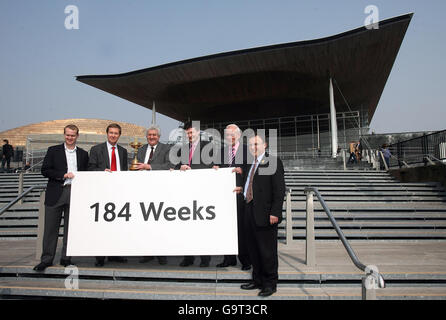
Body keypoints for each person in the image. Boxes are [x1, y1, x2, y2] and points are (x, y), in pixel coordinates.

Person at [33, 125, 89, 272]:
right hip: (56, 192)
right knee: (50, 228)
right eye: (68, 135)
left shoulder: (83, 154)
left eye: (73, 135)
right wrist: (63, 175)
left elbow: (88, 173)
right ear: (64, 135)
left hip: (75, 194)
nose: (70, 138)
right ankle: (46, 260)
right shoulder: (53, 150)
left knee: (71, 229)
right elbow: (45, 170)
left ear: (77, 136)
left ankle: (66, 258)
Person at [236, 135, 286, 297]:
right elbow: (251, 183)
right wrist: (241, 190)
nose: (253, 147)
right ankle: (257, 280)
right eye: (251, 145)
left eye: (256, 144)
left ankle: (270, 283)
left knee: (267, 251)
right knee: (253, 249)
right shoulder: (251, 163)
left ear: (264, 144)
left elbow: (279, 190)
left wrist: (275, 212)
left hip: (265, 214)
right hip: (249, 210)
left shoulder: (273, 162)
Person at [88, 123, 129, 267]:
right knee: (102, 226)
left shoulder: (123, 151)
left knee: (117, 224)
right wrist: (102, 172)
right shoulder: (96, 149)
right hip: (102, 192)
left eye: (116, 133)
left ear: (119, 135)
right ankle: (100, 256)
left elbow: (124, 171)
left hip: (118, 192)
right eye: (111, 133)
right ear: (107, 134)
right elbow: (90, 168)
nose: (113, 135)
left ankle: (115, 254)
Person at [174, 121, 213, 267]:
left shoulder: (208, 147)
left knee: (202, 227)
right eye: (188, 133)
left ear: (198, 132)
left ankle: (205, 258)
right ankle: (188, 257)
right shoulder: (182, 149)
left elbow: (210, 166)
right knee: (187, 227)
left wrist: (192, 170)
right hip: (185, 193)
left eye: (192, 132)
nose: (190, 135)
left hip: (202, 192)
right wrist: (180, 167)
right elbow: (176, 165)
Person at [213, 124, 251, 271]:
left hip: (241, 194)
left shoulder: (247, 150)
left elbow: (253, 169)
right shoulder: (221, 151)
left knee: (242, 229)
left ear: (239, 135)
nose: (230, 137)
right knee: (226, 228)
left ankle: (245, 260)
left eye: (233, 134)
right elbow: (217, 167)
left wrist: (242, 171)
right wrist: (215, 168)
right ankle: (228, 259)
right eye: (228, 135)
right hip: (225, 196)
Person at [135, 124, 173, 265]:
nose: (152, 137)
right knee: (145, 223)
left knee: (160, 224)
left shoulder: (167, 148)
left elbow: (169, 166)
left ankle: (161, 254)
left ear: (159, 136)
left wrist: (149, 167)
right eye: (149, 135)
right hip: (142, 191)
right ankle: (147, 253)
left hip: (160, 191)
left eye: (154, 135)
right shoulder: (141, 149)